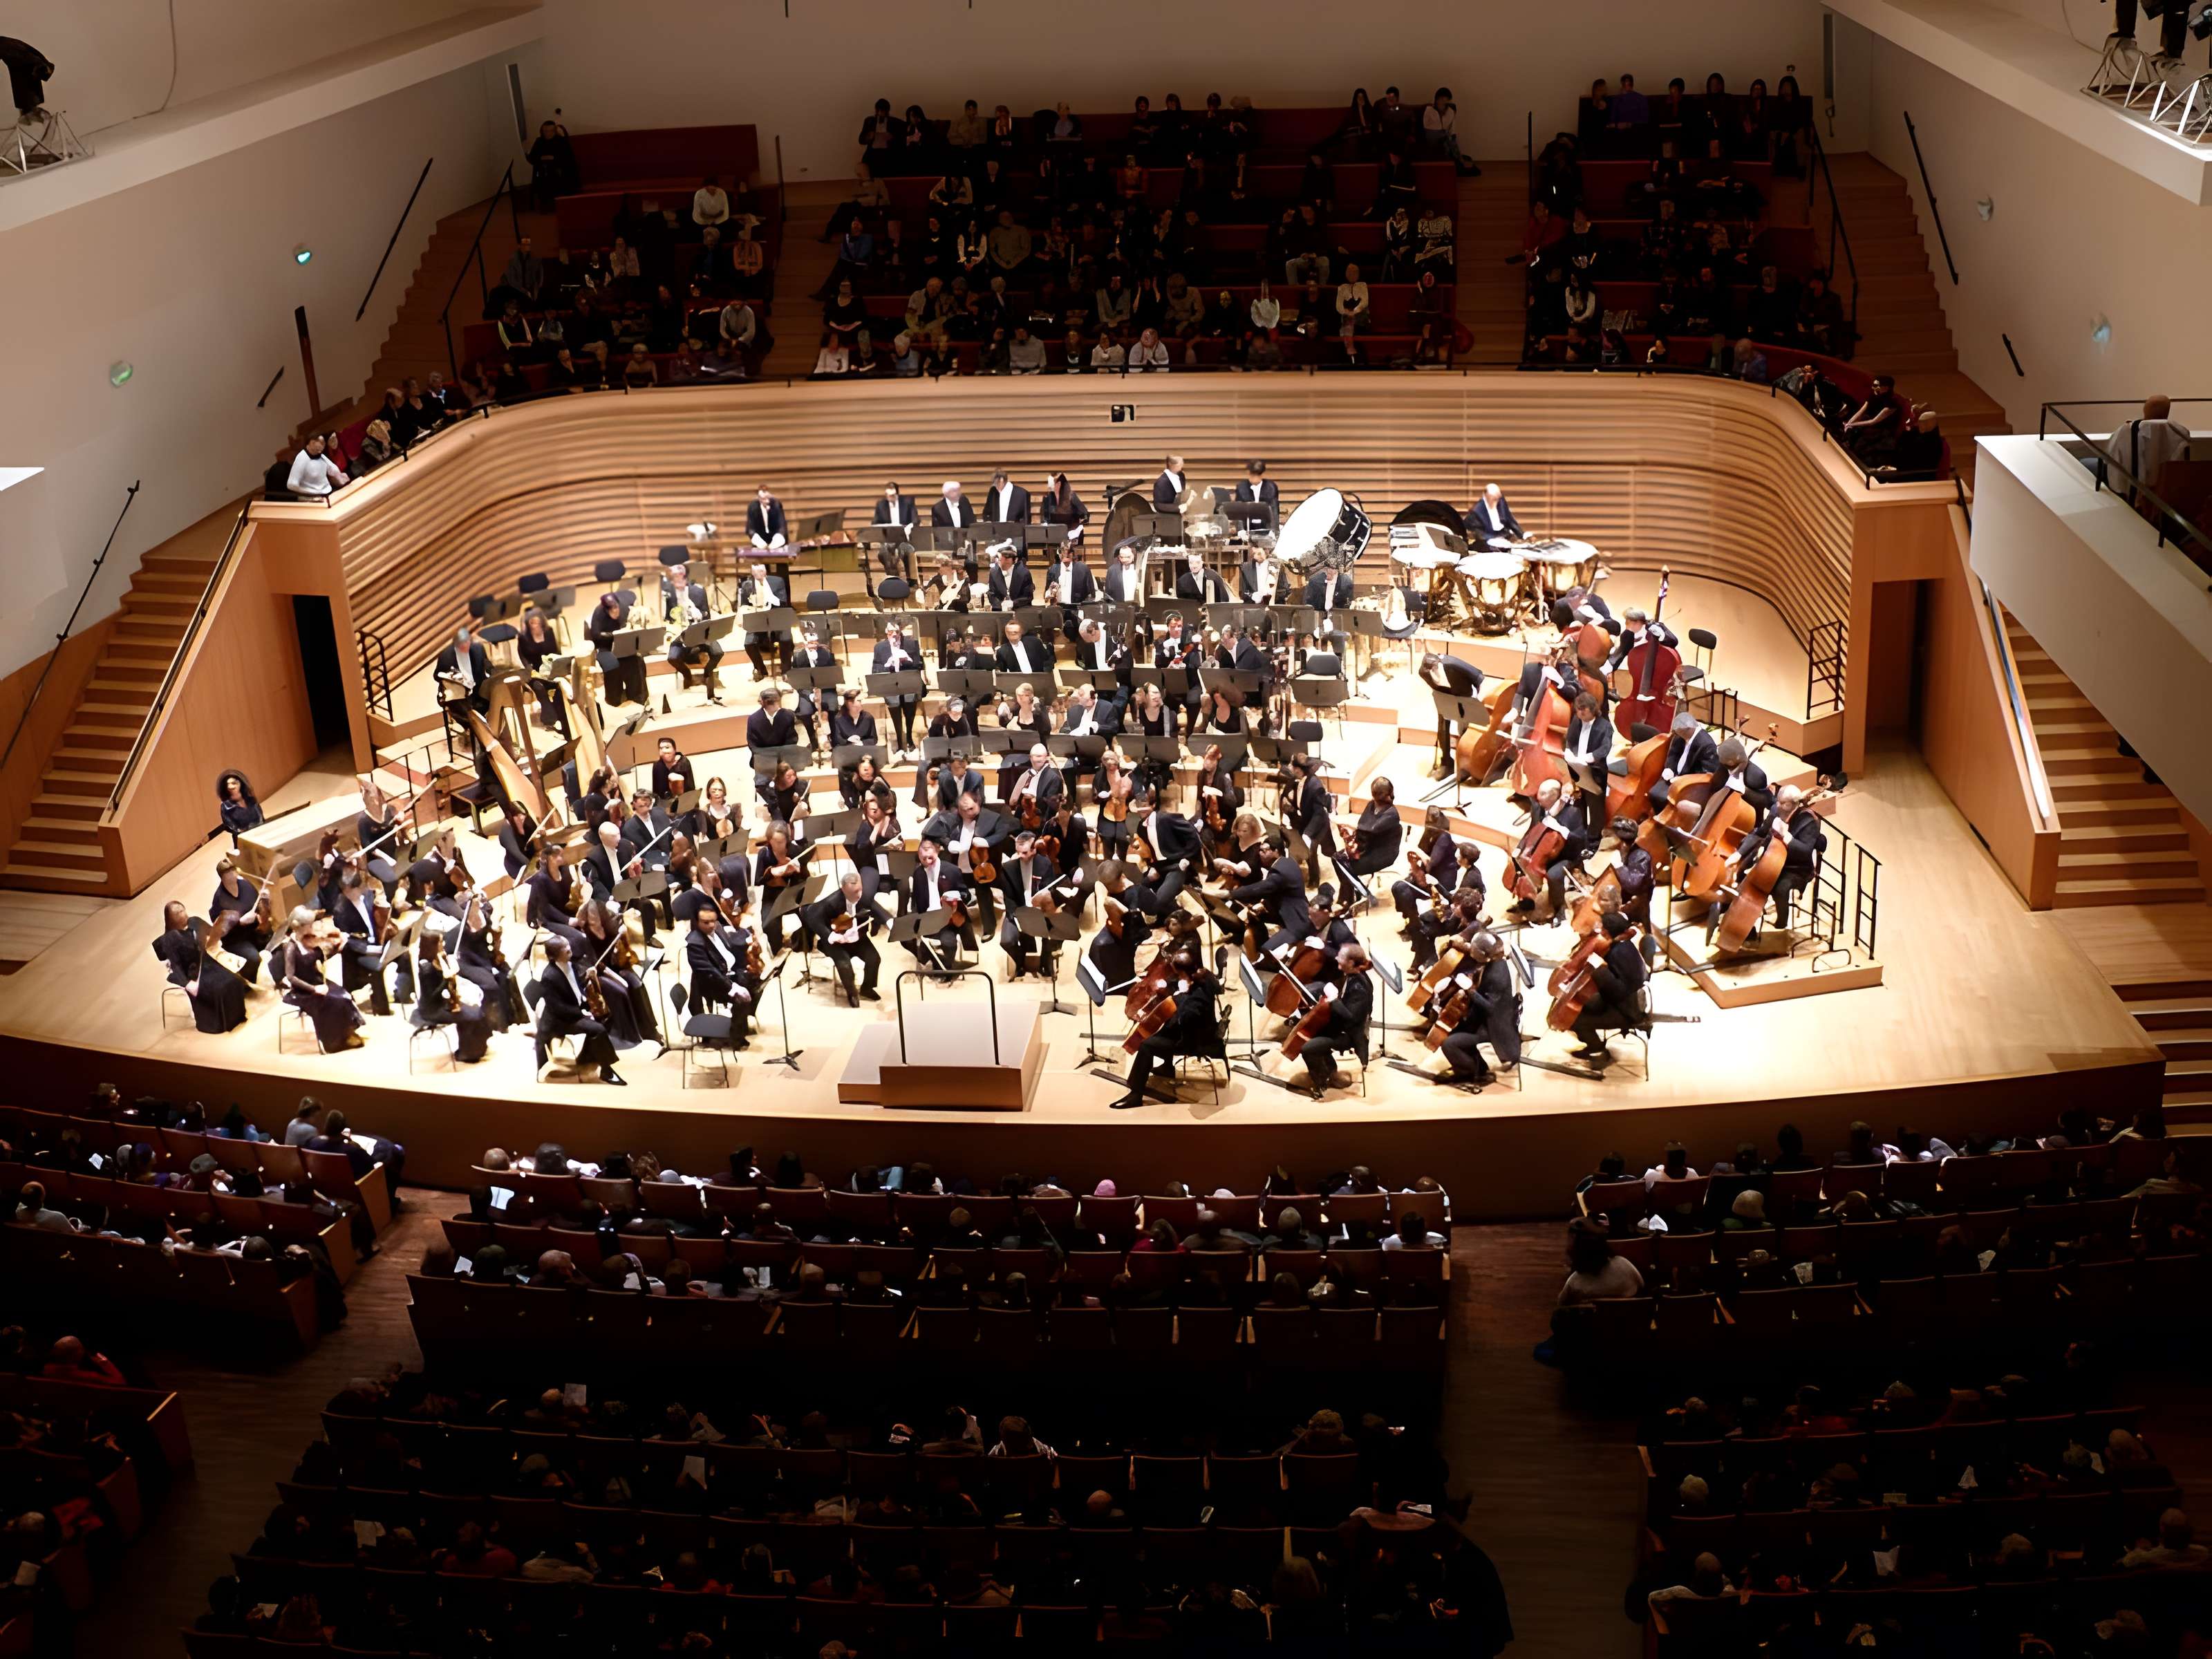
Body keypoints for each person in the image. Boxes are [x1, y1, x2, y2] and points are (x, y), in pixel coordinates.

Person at [1108, 951, 1223, 1109]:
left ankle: (1136, 1094)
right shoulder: (1206, 976)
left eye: (1178, 973)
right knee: (1164, 1030)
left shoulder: (1196, 998)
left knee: (1146, 1045)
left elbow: (1186, 1019)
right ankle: (1167, 1068)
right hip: (1203, 1029)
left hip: (1195, 1041)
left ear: (1183, 972)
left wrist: (1181, 996)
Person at [1731, 783, 1826, 933]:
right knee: (1745, 873)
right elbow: (1762, 833)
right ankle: (1743, 922)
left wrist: (1786, 837)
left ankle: (1782, 923)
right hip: (1773, 859)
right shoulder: (1776, 810)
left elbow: (1805, 852)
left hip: (1797, 868)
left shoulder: (1809, 821)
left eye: (1783, 803)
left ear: (1794, 804)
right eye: (1778, 801)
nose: (1778, 806)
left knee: (1780, 888)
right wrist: (1741, 854)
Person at [532, 936, 625, 1085]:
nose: (569, 949)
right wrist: (582, 1014)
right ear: (555, 955)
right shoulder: (549, 977)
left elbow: (574, 987)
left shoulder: (571, 964)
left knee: (607, 1017)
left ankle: (587, 1057)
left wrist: (586, 977)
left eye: (568, 945)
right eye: (565, 948)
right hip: (561, 1020)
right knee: (598, 1029)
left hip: (575, 1009)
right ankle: (607, 1071)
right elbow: (557, 1008)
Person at [1434, 931, 1519, 1086]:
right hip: (1481, 1018)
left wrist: (1470, 991)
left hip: (1492, 1026)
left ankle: (1468, 1072)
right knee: (1452, 1030)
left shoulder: (1496, 975)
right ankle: (1479, 1066)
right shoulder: (1494, 960)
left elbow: (1490, 1008)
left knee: (1449, 1043)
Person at [153, 901, 249, 1034]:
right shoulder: (170, 938)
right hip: (191, 972)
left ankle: (237, 1017)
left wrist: (221, 928)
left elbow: (212, 931)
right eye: (178, 913)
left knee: (235, 981)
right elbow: (175, 964)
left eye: (183, 910)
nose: (183, 914)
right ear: (171, 919)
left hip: (207, 962)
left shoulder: (195, 922)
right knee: (219, 988)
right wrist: (187, 984)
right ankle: (218, 1024)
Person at [1570, 910, 1647, 1067]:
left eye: (1602, 930)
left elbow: (1615, 993)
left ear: (1609, 932)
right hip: (1631, 1000)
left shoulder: (1618, 953)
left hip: (1627, 1011)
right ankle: (1595, 1046)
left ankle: (1598, 1051)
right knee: (1584, 1006)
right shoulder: (1624, 945)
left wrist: (1600, 971)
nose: (1599, 933)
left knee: (1574, 1018)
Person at [1295, 941, 1372, 1093]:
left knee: (1307, 1049)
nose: (1336, 958)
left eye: (1341, 957)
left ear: (1350, 963)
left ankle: (1321, 1081)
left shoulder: (1360, 988)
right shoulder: (1354, 976)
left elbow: (1351, 1018)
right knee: (1311, 1029)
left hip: (1349, 1035)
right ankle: (1330, 1070)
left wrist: (1334, 1000)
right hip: (1341, 1026)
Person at [805, 872, 883, 1007]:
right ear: (843, 890)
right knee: (844, 966)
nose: (858, 895)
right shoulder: (832, 902)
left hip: (857, 938)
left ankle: (867, 988)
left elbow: (877, 911)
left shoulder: (864, 897)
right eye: (854, 893)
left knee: (874, 959)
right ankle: (852, 993)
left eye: (860, 890)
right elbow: (812, 916)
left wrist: (883, 923)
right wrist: (830, 935)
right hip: (837, 940)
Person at [287, 435, 344, 500]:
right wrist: (310, 494)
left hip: (327, 493)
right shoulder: (302, 458)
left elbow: (333, 469)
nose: (323, 446)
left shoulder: (320, 455)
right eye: (322, 443)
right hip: (311, 498)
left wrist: (340, 476)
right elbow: (291, 484)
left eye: (324, 443)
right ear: (312, 443)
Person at [1465, 482, 1523, 546]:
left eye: (1497, 498)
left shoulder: (1501, 503)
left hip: (1504, 539)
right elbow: (1478, 534)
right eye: (1493, 498)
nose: (1496, 501)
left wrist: (1522, 536)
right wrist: (1495, 539)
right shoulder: (1476, 512)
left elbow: (1510, 521)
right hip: (1486, 542)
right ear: (1486, 495)